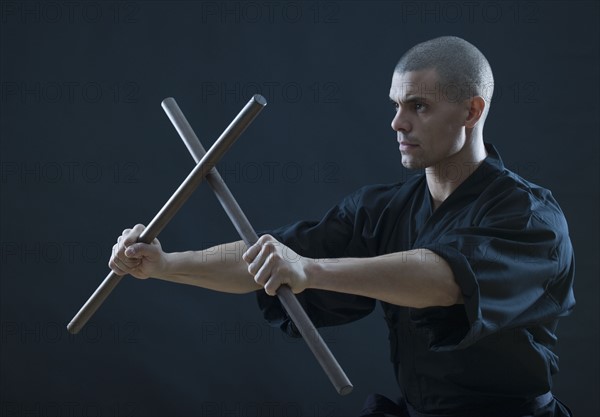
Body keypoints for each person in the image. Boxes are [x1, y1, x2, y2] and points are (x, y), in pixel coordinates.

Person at [108, 36, 575, 416]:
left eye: (419, 107)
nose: (397, 122)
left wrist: (311, 270)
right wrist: (164, 264)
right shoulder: (386, 207)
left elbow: (445, 278)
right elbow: (268, 257)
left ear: (471, 112)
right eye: (395, 105)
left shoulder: (531, 218)